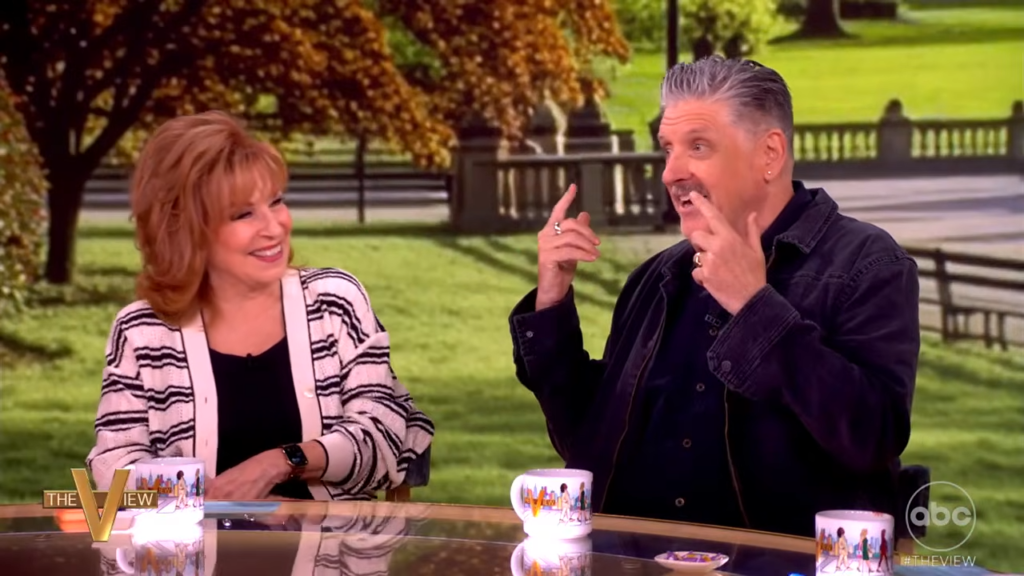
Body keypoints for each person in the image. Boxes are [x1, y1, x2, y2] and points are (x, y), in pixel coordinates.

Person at [507, 56, 919, 537]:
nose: (671, 172)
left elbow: (873, 437)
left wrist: (755, 308)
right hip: (636, 567)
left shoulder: (866, 264)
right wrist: (551, 305)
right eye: (667, 149)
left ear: (769, 154)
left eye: (698, 147)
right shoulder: (655, 278)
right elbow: (587, 443)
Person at [85, 111, 435, 501]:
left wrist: (279, 462)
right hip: (196, 558)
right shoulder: (142, 330)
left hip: (333, 555)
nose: (274, 226)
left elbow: (381, 437)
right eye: (244, 214)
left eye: (276, 202)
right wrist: (217, 499)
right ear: (187, 231)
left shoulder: (335, 301)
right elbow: (113, 466)